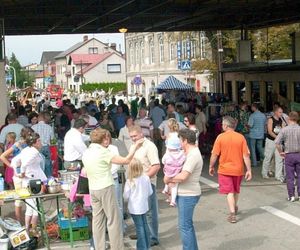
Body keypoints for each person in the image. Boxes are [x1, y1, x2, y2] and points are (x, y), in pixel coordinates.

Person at [81, 128, 144, 250]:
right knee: (113, 219)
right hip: (105, 186)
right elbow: (126, 160)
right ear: (103, 139)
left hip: (93, 188)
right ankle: (117, 247)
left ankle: (99, 246)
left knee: (97, 220)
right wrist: (135, 147)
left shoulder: (87, 152)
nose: (108, 140)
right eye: (106, 138)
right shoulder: (103, 152)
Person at [164, 129, 202, 250]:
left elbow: (184, 176)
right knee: (187, 225)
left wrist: (168, 180)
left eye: (180, 140)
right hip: (186, 193)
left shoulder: (193, 154)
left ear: (185, 140)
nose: (179, 143)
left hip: (188, 194)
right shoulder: (189, 152)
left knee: (184, 226)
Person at [209, 116, 252, 223]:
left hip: (225, 170)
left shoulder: (220, 137)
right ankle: (235, 206)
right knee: (235, 190)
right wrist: (249, 170)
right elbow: (246, 156)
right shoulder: (241, 137)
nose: (221, 126)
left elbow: (214, 154)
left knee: (229, 192)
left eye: (222, 124)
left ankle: (232, 214)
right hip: (238, 169)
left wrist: (211, 166)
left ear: (226, 126)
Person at [128, 125, 160, 246]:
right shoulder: (133, 146)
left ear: (141, 134)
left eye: (135, 136)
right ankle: (142, 232)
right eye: (131, 137)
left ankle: (153, 236)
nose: (133, 138)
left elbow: (156, 166)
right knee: (138, 210)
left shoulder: (150, 146)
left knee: (150, 212)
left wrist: (144, 180)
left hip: (147, 183)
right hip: (135, 183)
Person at [0, 127, 34, 222]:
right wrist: (11, 165)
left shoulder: (31, 144)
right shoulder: (18, 144)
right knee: (19, 198)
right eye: (30, 135)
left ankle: (29, 222)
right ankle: (19, 222)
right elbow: (2, 156)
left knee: (30, 199)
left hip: (30, 174)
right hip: (19, 175)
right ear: (26, 135)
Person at [17, 132, 47, 233]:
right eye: (38, 141)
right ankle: (33, 231)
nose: (40, 142)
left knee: (30, 207)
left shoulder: (26, 150)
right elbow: (24, 163)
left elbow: (18, 161)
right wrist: (21, 172)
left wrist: (20, 171)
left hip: (30, 180)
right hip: (33, 181)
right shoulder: (33, 152)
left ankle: (27, 229)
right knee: (36, 208)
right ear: (34, 143)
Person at [123, 158, 153, 250]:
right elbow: (150, 192)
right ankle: (147, 246)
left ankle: (142, 247)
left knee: (139, 228)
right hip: (144, 206)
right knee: (145, 226)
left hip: (134, 208)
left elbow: (126, 196)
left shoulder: (130, 181)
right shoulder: (146, 178)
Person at [275, 111, 300, 202]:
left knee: (290, 177)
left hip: (289, 155)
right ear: (297, 119)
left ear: (289, 119)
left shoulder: (284, 130)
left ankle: (291, 196)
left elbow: (277, 142)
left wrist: (281, 152)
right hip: (299, 154)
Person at [262, 106, 286, 181]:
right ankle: (264, 173)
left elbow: (282, 131)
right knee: (268, 157)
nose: (281, 114)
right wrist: (277, 138)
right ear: (275, 112)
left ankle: (278, 175)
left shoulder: (281, 120)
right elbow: (269, 131)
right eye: (280, 112)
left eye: (282, 112)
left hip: (278, 143)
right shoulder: (270, 119)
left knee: (279, 159)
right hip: (271, 141)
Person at [162, 135, 186, 206]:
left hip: (168, 172)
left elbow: (163, 161)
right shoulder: (182, 154)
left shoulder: (167, 155)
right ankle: (173, 201)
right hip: (177, 172)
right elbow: (184, 160)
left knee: (166, 178)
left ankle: (166, 188)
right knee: (175, 187)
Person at [32, 111, 54, 177]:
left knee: (37, 165)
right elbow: (52, 139)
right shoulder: (49, 127)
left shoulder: (33, 127)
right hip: (46, 147)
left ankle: (39, 179)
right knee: (47, 165)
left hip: (36, 148)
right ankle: (49, 179)